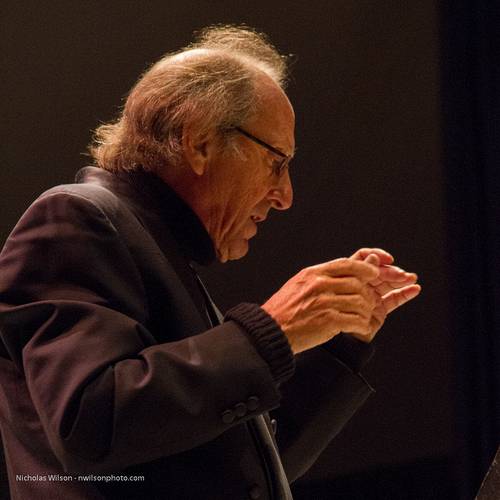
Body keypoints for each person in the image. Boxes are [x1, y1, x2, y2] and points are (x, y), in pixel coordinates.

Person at [0, 25, 420, 500]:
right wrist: (272, 332)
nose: (285, 196)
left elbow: (258, 471)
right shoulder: (75, 217)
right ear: (199, 141)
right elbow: (91, 421)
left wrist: (341, 340)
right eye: (277, 161)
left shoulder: (163, 255)